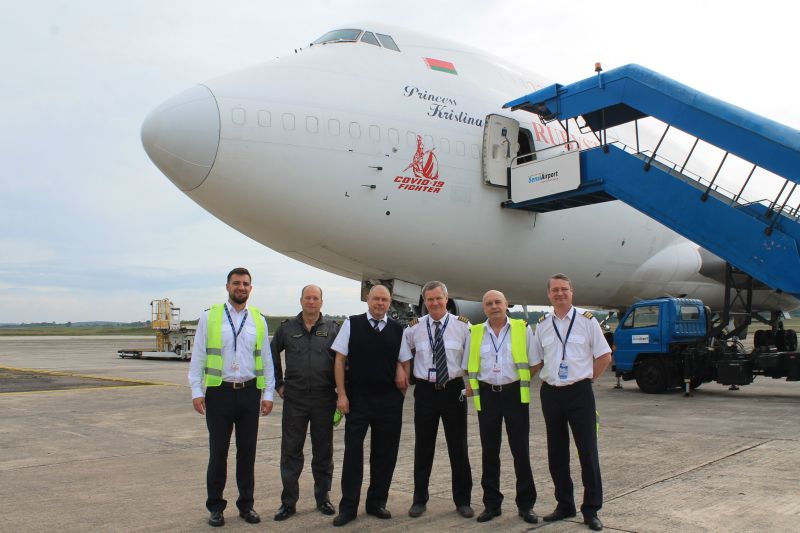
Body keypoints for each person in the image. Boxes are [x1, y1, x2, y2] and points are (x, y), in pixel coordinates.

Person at [188, 267, 275, 527]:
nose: (241, 287)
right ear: (227, 287)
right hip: (219, 392)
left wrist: (268, 393)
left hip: (249, 393)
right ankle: (215, 507)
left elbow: (267, 359)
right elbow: (199, 356)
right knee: (219, 453)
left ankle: (246, 505)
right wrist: (196, 390)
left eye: (246, 284)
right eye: (236, 283)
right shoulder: (210, 316)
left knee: (247, 453)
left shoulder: (258, 319)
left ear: (251, 288)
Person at [531, 274, 612, 532]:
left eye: (564, 289)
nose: (560, 294)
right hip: (551, 393)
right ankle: (564, 504)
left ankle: (591, 510)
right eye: (555, 290)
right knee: (557, 453)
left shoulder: (588, 321)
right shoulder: (542, 325)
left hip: (579, 393)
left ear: (572, 292)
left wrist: (587, 379)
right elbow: (536, 361)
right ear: (548, 294)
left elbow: (604, 356)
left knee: (587, 451)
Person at [330, 285, 409, 527]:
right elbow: (340, 359)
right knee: (353, 454)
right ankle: (349, 507)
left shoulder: (398, 330)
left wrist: (400, 380)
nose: (380, 303)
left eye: (384, 300)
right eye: (376, 299)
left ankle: (377, 503)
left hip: (388, 401)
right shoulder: (352, 324)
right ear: (368, 300)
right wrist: (341, 394)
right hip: (358, 400)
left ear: (389, 302)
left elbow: (406, 361)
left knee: (384, 455)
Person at [399, 281, 474, 519]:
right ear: (425, 301)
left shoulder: (463, 327)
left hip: (453, 390)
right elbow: (404, 356)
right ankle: (419, 499)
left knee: (458, 447)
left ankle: (462, 500)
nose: (434, 303)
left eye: (438, 298)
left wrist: (471, 383)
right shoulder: (414, 328)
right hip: (425, 392)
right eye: (429, 299)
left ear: (447, 298)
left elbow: (471, 359)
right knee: (423, 447)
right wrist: (403, 373)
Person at [464, 290, 538, 524]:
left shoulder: (522, 328)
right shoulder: (474, 332)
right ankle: (491, 504)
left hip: (515, 395)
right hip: (487, 396)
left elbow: (535, 362)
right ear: (484, 308)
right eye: (489, 303)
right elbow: (468, 366)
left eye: (498, 302)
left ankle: (526, 505)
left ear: (506, 305)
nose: (494, 306)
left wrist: (516, 380)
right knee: (489, 452)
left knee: (520, 451)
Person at [270, 285, 340, 521]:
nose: (311, 302)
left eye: (315, 298)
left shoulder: (332, 329)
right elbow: (271, 356)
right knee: (291, 452)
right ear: (301, 301)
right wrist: (278, 383)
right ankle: (288, 503)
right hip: (295, 399)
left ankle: (323, 498)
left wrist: (342, 391)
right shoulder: (287, 328)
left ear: (322, 301)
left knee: (323, 451)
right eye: (308, 298)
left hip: (323, 398)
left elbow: (343, 360)